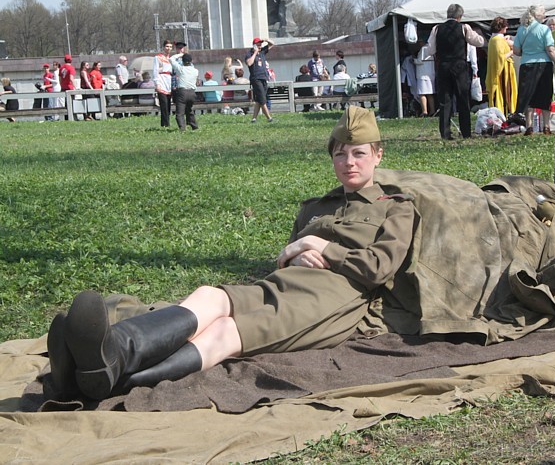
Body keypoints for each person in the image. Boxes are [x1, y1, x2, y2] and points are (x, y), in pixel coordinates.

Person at [46, 106, 416, 402]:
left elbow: (379, 268)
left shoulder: (395, 207)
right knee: (211, 295)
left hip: (336, 298)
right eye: (340, 154)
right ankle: (113, 355)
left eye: (358, 153)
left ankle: (104, 379)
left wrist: (322, 247)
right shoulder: (317, 207)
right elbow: (285, 254)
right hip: (285, 281)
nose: (349, 162)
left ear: (378, 155)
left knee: (224, 333)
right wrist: (295, 253)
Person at [426, 3, 485, 139]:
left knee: (445, 100)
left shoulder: (436, 29)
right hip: (459, 66)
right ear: (459, 17)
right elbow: (479, 42)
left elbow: (430, 50)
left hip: (444, 66)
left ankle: (445, 133)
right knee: (462, 99)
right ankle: (466, 132)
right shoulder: (464, 28)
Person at [513, 5, 555, 135]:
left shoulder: (522, 29)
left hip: (526, 64)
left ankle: (529, 126)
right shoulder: (544, 29)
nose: (545, 15)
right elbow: (550, 49)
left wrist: (527, 52)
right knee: (545, 94)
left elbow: (516, 50)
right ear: (538, 15)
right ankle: (546, 127)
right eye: (543, 13)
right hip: (544, 65)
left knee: (528, 95)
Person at [485, 16, 517, 116]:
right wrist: (512, 52)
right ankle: (506, 115)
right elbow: (500, 57)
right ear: (501, 27)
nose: (507, 28)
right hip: (503, 72)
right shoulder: (497, 41)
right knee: (505, 94)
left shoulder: (494, 39)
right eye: (505, 26)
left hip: (502, 70)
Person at [245, 36, 274, 123]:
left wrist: (266, 40)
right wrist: (255, 53)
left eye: (260, 44)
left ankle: (254, 118)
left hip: (264, 78)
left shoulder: (262, 52)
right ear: (254, 45)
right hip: (256, 79)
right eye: (258, 45)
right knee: (262, 100)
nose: (260, 46)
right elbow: (249, 63)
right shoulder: (249, 54)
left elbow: (272, 44)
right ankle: (269, 118)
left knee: (259, 100)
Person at [170, 52, 199, 132]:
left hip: (182, 92)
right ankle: (194, 126)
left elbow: (171, 59)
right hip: (192, 93)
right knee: (189, 110)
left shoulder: (180, 69)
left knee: (180, 113)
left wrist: (180, 54)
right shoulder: (195, 71)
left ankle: (182, 128)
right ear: (191, 61)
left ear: (182, 61)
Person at [154, 40, 174, 128]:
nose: (168, 48)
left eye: (170, 47)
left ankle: (166, 123)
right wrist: (157, 83)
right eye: (167, 46)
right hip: (161, 81)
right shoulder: (158, 57)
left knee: (168, 105)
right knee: (164, 104)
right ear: (163, 47)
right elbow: (155, 71)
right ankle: (165, 124)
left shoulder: (171, 59)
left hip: (169, 82)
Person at [414, 41, 436, 117]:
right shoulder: (432, 49)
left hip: (423, 74)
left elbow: (419, 61)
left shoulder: (423, 49)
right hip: (431, 74)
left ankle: (425, 111)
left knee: (422, 94)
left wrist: (413, 60)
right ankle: (432, 111)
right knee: (430, 94)